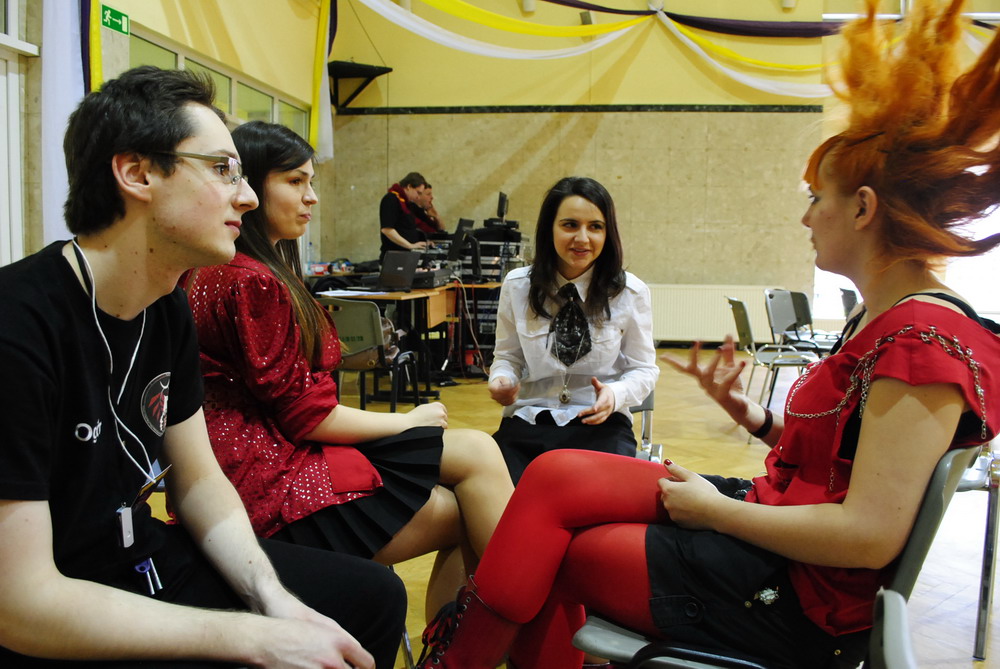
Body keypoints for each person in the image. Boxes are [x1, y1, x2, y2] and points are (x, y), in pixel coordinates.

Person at [415, 2, 1000, 667]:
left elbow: (866, 535)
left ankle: (455, 658)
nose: (806, 216)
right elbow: (845, 470)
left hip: (791, 593)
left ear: (862, 208)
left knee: (561, 548)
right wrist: (755, 419)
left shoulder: (924, 338)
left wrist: (716, 513)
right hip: (776, 534)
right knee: (552, 477)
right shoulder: (892, 319)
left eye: (816, 197)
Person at [0, 66, 406, 669]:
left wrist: (271, 599)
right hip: (61, 602)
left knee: (370, 598)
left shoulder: (165, 306)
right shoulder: (19, 324)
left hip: (138, 555)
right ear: (136, 173)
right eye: (222, 170)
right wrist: (251, 638)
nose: (246, 197)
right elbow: (22, 605)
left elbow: (198, 482)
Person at [183, 121, 513, 622]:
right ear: (248, 186)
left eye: (310, 182)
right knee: (472, 487)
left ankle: (477, 645)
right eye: (295, 182)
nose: (310, 197)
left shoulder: (220, 269)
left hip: (251, 460)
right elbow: (306, 418)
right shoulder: (253, 282)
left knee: (476, 463)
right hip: (268, 481)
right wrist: (408, 420)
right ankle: (506, 640)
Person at [487, 176, 659, 484]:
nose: (583, 238)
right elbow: (508, 357)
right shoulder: (517, 286)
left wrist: (615, 394)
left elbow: (644, 370)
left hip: (601, 423)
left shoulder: (631, 292)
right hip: (529, 421)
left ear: (608, 233)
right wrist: (502, 379)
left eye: (595, 226)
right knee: (502, 498)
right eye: (569, 225)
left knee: (592, 500)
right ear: (549, 228)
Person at [379, 171, 433, 258]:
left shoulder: (407, 203)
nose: (418, 197)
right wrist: (410, 245)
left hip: (406, 256)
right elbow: (387, 229)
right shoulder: (390, 199)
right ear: (409, 187)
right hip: (394, 257)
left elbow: (406, 229)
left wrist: (422, 243)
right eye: (418, 193)